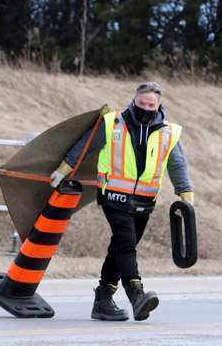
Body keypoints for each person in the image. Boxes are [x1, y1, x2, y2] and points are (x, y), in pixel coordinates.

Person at [49, 81, 194, 321]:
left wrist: (186, 197)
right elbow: (84, 146)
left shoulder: (169, 132)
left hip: (145, 201)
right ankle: (136, 295)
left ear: (158, 106)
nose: (145, 108)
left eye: (151, 105)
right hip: (113, 195)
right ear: (134, 101)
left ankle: (103, 299)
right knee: (126, 242)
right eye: (142, 103)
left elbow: (177, 164)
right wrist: (63, 170)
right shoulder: (112, 123)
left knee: (121, 247)